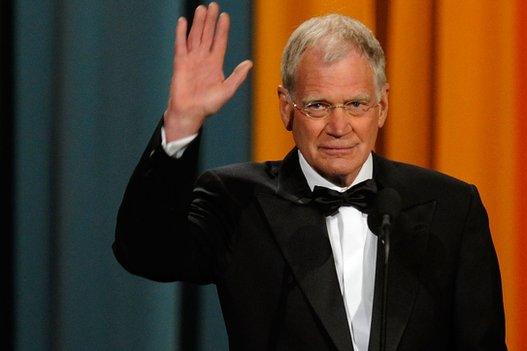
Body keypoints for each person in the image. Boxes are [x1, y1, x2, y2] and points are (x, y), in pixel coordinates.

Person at [114, 3, 507, 350]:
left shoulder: (452, 207)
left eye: (356, 104)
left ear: (382, 106)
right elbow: (146, 252)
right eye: (318, 105)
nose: (339, 126)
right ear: (287, 108)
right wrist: (182, 123)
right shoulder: (236, 200)